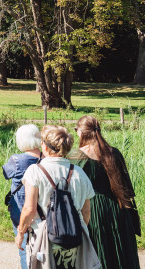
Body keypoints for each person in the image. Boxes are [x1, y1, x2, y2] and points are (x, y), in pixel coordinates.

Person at [16, 125, 97, 269]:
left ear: (46, 148)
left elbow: (29, 209)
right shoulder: (79, 173)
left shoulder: (34, 172)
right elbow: (86, 212)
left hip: (43, 237)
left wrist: (20, 232)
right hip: (73, 238)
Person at [67, 115, 140, 269]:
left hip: (93, 210)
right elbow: (125, 185)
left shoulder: (76, 156)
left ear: (81, 132)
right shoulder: (114, 153)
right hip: (118, 208)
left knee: (99, 252)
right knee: (120, 252)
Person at [2, 124, 42, 269]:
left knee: (25, 250)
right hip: (42, 211)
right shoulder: (45, 158)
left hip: (21, 210)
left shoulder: (17, 160)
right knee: (42, 250)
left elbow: (6, 173)